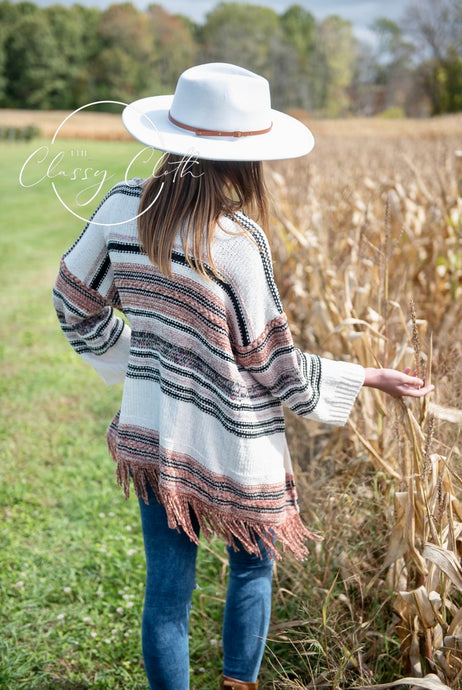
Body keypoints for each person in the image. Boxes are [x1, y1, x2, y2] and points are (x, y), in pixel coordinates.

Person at [52, 63, 434, 690]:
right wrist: (366, 376)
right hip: (237, 442)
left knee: (167, 594)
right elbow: (273, 365)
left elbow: (74, 302)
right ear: (249, 160)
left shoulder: (123, 209)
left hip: (154, 435)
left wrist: (142, 366)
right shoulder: (236, 239)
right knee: (253, 568)